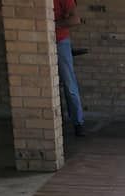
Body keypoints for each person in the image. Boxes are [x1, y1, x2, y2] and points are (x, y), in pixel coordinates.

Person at [54, 0, 85, 137]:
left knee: (69, 83)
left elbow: (75, 19)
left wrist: (52, 24)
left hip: (60, 41)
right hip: (37, 40)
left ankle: (78, 123)